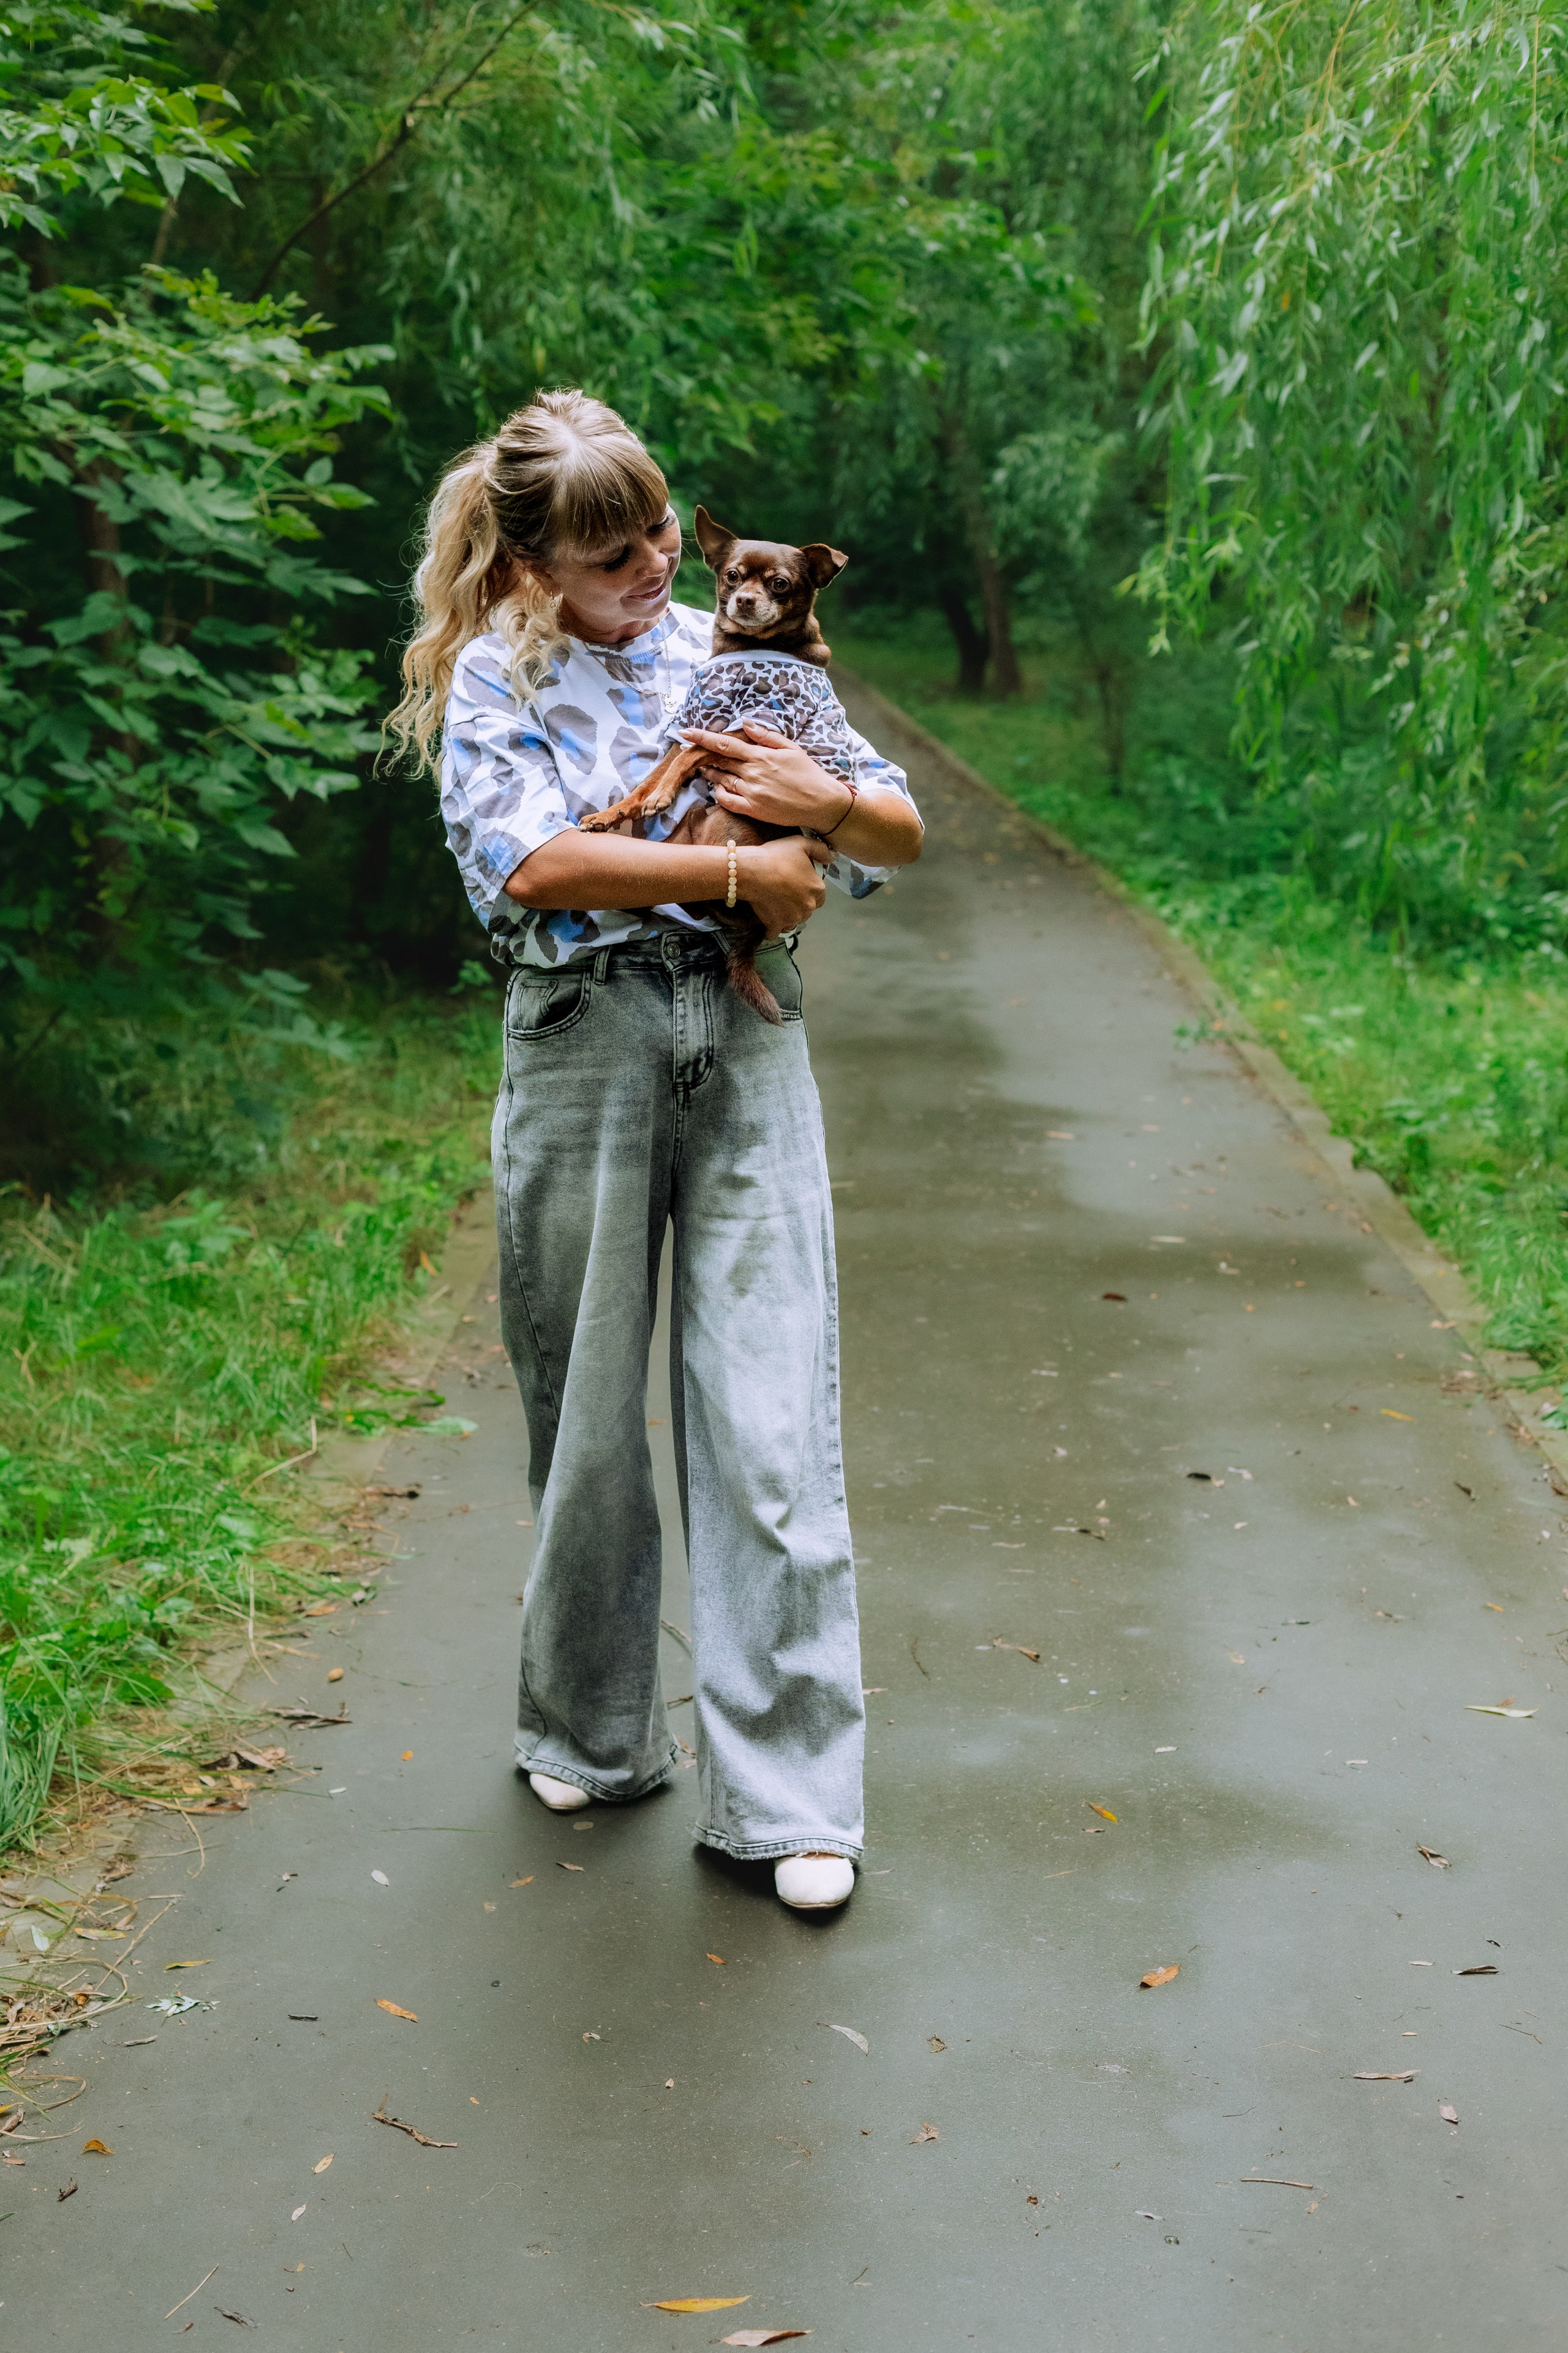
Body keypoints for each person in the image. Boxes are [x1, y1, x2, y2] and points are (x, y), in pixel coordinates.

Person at [388, 390, 922, 1912]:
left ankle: (791, 1797)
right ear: (535, 566)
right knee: (589, 1426)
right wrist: (741, 859)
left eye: (663, 537)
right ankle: (589, 1727)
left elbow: (893, 829)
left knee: (769, 1422)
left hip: (748, 1045)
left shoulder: (742, 653)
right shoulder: (499, 678)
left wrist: (824, 805)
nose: (653, 570)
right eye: (613, 556)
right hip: (581, 1045)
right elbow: (538, 863)